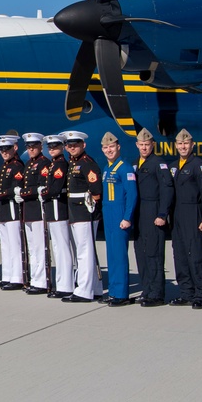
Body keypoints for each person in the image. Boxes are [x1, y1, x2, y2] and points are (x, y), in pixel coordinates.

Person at [169, 128, 202, 309]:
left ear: (192, 145)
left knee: (196, 255)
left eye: (186, 143)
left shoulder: (199, 166)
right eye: (180, 144)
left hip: (194, 213)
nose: (183, 146)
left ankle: (200, 294)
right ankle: (186, 292)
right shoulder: (173, 166)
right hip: (177, 214)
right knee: (179, 254)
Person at [132, 128, 173, 307]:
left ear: (153, 145)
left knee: (154, 253)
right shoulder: (135, 164)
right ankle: (147, 289)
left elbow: (167, 189)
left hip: (153, 210)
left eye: (147, 145)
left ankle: (156, 293)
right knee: (141, 253)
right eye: (141, 145)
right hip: (139, 214)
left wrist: (162, 213)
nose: (144, 148)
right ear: (137, 145)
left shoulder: (159, 164)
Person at [62, 131, 103, 303]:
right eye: (69, 145)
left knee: (84, 252)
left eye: (75, 145)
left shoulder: (87, 163)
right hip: (76, 212)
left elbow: (96, 190)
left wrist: (91, 207)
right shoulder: (74, 163)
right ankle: (96, 288)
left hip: (85, 212)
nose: (72, 148)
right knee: (84, 250)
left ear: (83, 145)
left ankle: (84, 290)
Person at [100, 132, 136, 306]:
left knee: (120, 255)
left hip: (120, 213)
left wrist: (127, 217)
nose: (109, 150)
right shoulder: (107, 168)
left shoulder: (125, 168)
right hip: (108, 214)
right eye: (106, 148)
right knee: (111, 254)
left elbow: (132, 194)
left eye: (112, 147)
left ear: (118, 147)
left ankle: (121, 294)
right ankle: (113, 291)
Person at [40, 134, 74, 298]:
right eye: (50, 147)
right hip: (53, 210)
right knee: (58, 249)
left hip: (58, 209)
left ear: (62, 147)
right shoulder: (54, 164)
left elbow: (54, 189)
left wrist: (43, 192)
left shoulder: (60, 165)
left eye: (55, 147)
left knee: (62, 248)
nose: (52, 149)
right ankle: (62, 283)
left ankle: (66, 285)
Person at [19, 132, 50, 294]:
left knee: (39, 247)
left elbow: (42, 186)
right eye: (29, 147)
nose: (31, 150)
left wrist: (23, 192)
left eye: (34, 147)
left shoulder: (44, 164)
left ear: (40, 146)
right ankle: (35, 279)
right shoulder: (29, 164)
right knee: (32, 247)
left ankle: (41, 281)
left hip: (38, 210)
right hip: (29, 210)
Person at [0, 135, 24, 290]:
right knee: (5, 245)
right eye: (2, 149)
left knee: (15, 244)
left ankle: (17, 277)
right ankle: (8, 275)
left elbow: (16, 187)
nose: (4, 152)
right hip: (4, 209)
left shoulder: (17, 166)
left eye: (7, 149)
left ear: (15, 148)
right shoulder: (4, 166)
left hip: (12, 210)